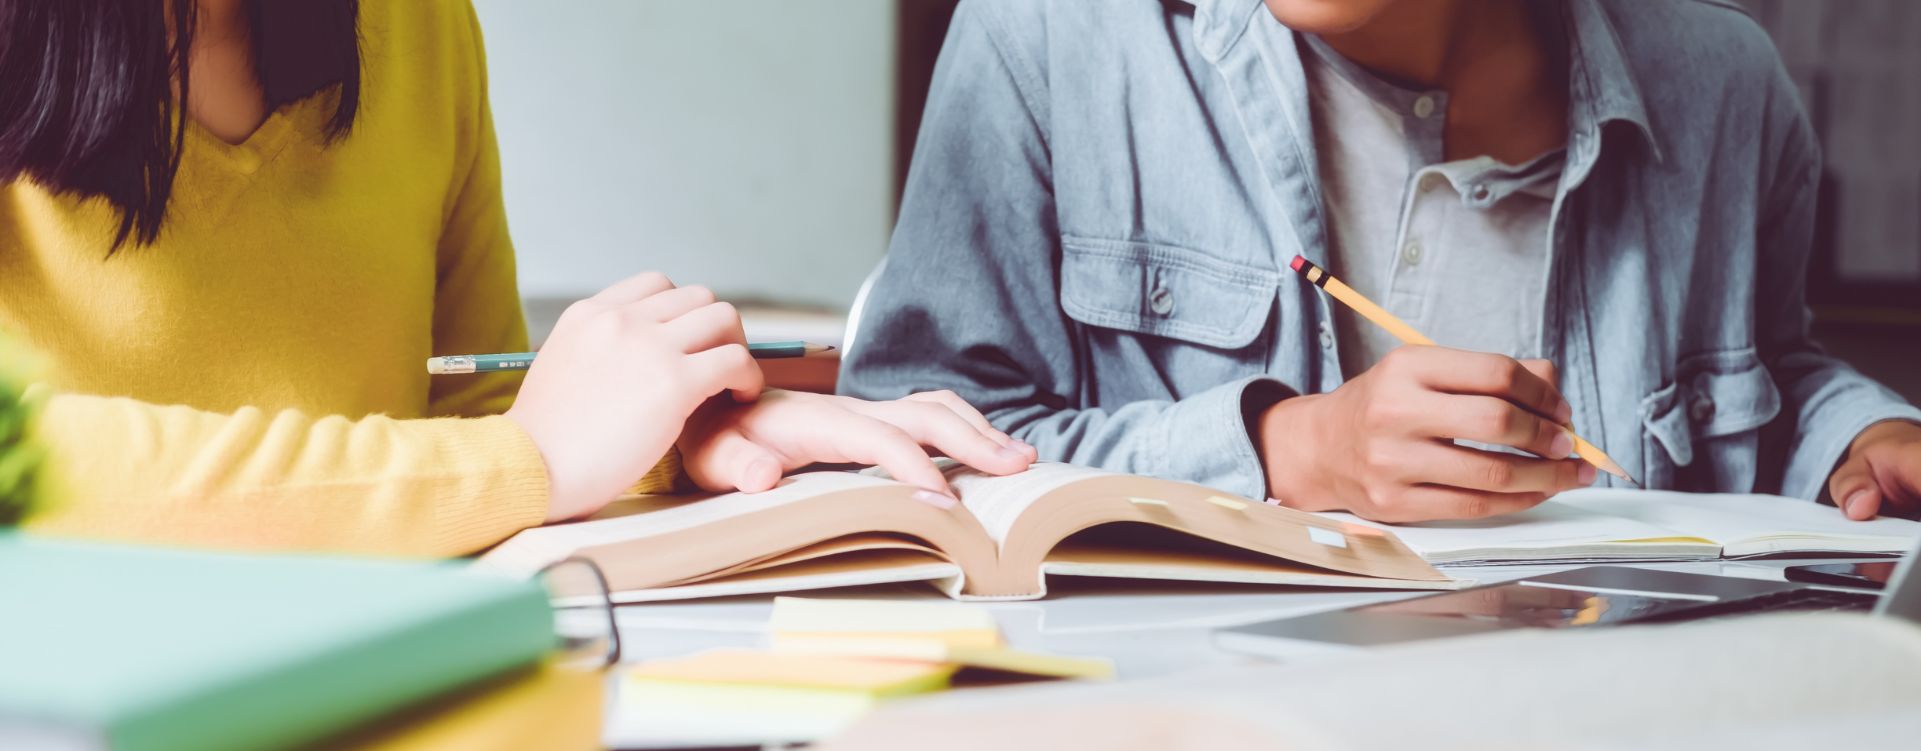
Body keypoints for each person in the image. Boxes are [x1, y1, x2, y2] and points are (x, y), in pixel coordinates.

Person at [0, 0, 1034, 557]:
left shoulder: (417, 24)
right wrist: (527, 460)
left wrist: (676, 439)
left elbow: (481, 418)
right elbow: (23, 468)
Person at [841, 0, 1921, 522]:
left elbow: (1765, 372)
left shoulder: (1725, 85)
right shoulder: (1048, 41)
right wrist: (1285, 452)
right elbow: (891, 452)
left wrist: (1849, 434)